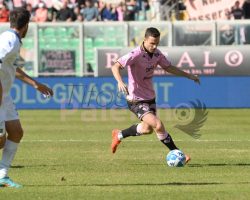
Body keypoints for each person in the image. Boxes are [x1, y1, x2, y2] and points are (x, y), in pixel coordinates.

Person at [111, 27, 200, 163]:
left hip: (150, 97)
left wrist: (189, 76)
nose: (154, 46)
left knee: (147, 129)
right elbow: (115, 66)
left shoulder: (157, 54)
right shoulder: (135, 54)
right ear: (145, 40)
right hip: (135, 99)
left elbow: (169, 68)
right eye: (152, 43)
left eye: (157, 43)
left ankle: (119, 135)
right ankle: (177, 153)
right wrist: (119, 81)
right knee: (158, 125)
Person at [0, 7, 53, 188]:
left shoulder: (13, 40)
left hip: (4, 96)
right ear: (27, 25)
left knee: (16, 132)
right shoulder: (9, 40)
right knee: (0, 141)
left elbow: (13, 68)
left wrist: (35, 84)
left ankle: (2, 176)